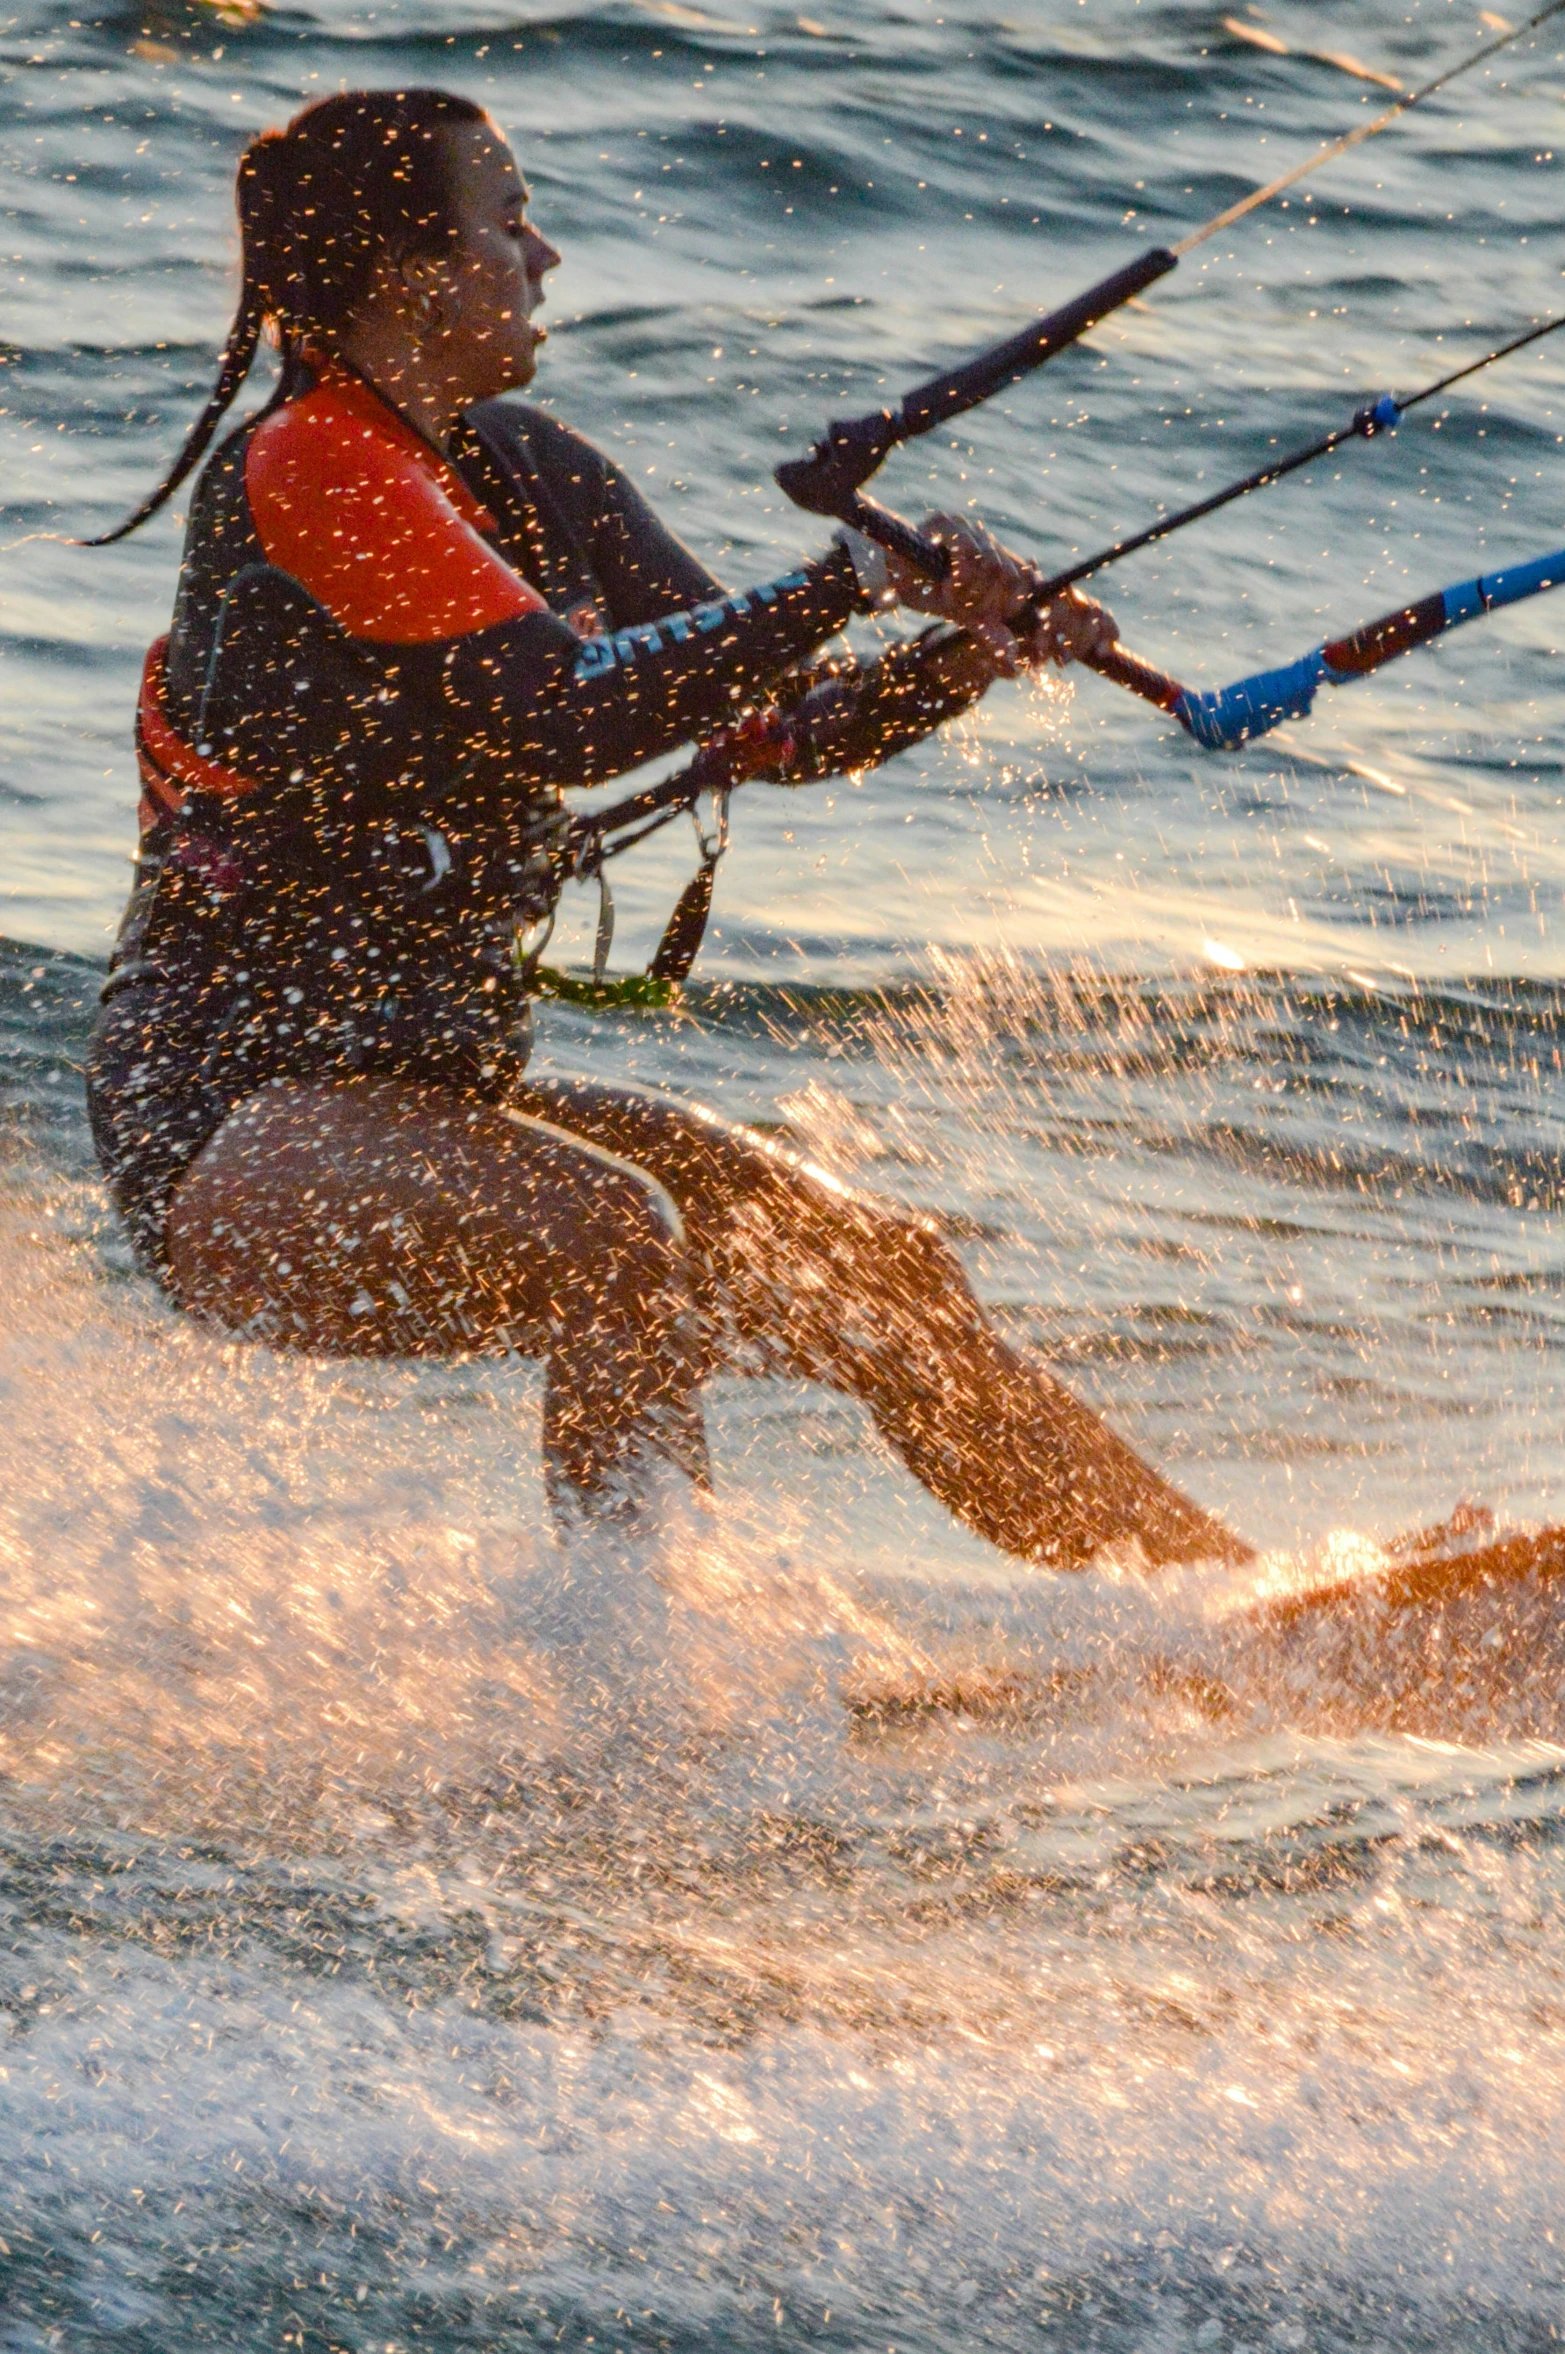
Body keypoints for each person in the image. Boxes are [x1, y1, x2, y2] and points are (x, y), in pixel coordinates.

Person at [84, 85, 1246, 1568]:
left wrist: (966, 649)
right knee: (616, 1239)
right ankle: (647, 1676)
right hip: (233, 1131)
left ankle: (1222, 1613)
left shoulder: (526, 472)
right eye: (507, 222)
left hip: (423, 1106)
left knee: (877, 1270)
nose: (545, 254)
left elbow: (768, 721)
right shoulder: (312, 465)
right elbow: (559, 711)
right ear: (404, 270)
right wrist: (845, 582)